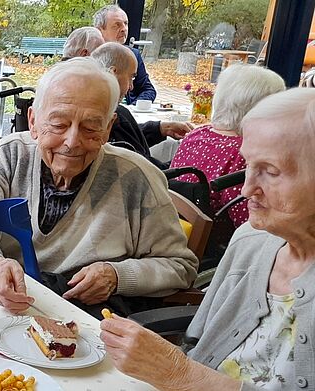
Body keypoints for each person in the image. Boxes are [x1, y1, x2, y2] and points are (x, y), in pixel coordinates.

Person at [101, 88, 315, 391]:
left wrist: (180, 375)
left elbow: (187, 372)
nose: (246, 189)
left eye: (270, 171)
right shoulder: (250, 240)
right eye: (247, 166)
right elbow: (196, 344)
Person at [0, 58, 197, 317]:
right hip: (7, 309)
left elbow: (180, 266)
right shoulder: (11, 155)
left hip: (85, 321)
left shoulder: (137, 177)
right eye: (58, 125)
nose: (72, 142)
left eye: (90, 127)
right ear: (33, 121)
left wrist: (117, 275)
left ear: (108, 128)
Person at [170, 64, 285, 227]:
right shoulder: (246, 153)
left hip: (178, 225)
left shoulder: (196, 134)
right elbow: (247, 221)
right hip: (218, 236)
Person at [91, 42, 192, 168]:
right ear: (113, 73)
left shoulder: (110, 112)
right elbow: (149, 172)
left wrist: (161, 128)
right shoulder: (111, 115)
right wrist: (192, 158)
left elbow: (128, 138)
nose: (131, 87)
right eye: (131, 77)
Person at [94, 4, 156, 105]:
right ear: (99, 30)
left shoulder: (133, 55)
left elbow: (148, 90)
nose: (124, 29)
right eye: (117, 25)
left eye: (125, 24)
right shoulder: (91, 56)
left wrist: (133, 107)